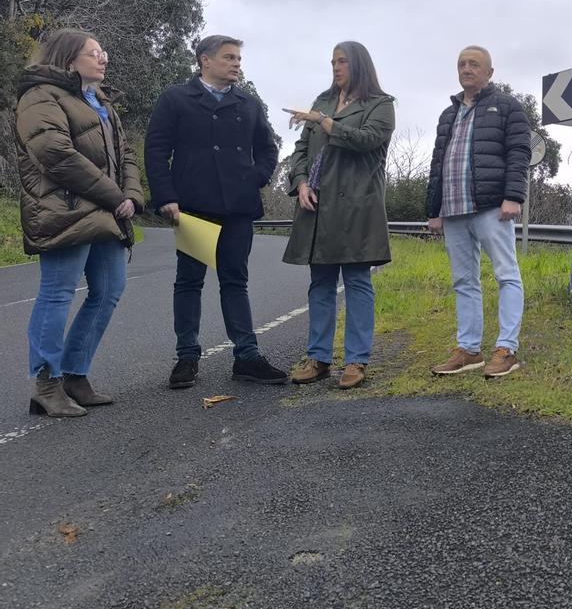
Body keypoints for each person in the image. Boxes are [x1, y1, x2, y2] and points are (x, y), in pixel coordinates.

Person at [144, 35, 286, 388]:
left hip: (238, 208)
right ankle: (187, 358)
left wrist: (253, 178)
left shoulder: (248, 103)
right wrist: (166, 195)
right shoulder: (176, 99)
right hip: (193, 207)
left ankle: (247, 357)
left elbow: (268, 150)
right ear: (205, 61)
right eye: (229, 58)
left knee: (235, 281)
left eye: (238, 58)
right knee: (189, 282)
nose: (237, 63)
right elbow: (156, 149)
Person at [15, 29, 143, 417]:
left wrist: (133, 196)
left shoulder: (101, 101)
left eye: (103, 51)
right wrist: (114, 195)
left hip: (107, 211)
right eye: (94, 53)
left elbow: (126, 155)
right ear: (69, 59)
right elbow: (55, 153)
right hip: (65, 210)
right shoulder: (39, 96)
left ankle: (75, 375)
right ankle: (46, 384)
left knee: (109, 290)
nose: (103, 58)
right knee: (57, 293)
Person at [282, 42, 395, 389]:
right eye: (332, 61)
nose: (335, 67)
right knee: (321, 284)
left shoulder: (381, 105)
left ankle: (357, 361)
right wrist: (300, 183)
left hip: (357, 207)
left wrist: (324, 121)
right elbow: (300, 150)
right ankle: (318, 358)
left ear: (359, 64)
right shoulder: (323, 99)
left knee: (358, 282)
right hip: (318, 207)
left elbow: (366, 140)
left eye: (342, 61)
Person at [426, 45, 531, 379]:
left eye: (474, 64)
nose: (466, 68)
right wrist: (433, 209)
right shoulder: (448, 113)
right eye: (461, 64)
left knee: (506, 274)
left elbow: (519, 152)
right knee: (463, 281)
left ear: (489, 72)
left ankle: (506, 349)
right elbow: (437, 164)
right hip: (454, 210)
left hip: (491, 208)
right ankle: (469, 350)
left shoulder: (508, 108)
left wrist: (513, 196)